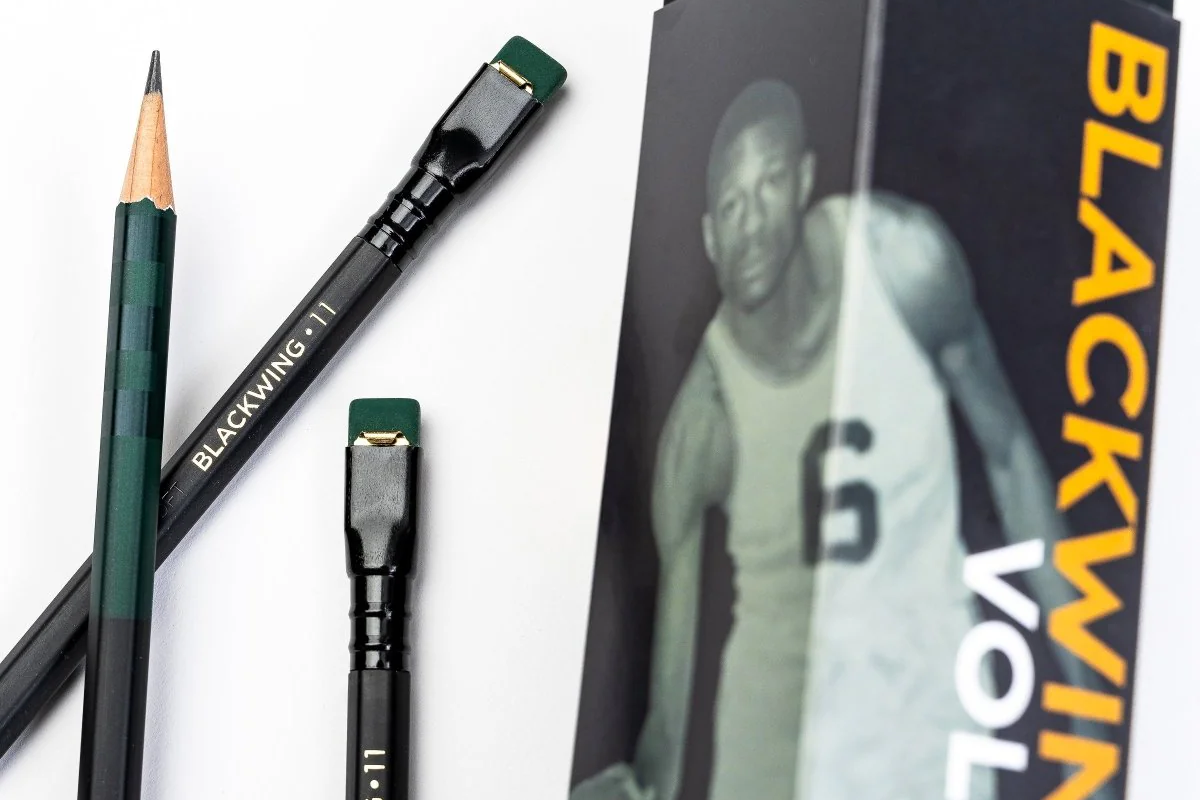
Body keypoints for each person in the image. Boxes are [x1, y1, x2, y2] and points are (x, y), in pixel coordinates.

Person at [572, 79, 1109, 800]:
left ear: (803, 181)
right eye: (731, 206)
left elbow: (1011, 456)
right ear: (709, 239)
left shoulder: (902, 264)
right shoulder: (703, 422)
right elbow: (670, 712)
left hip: (928, 706)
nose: (751, 223)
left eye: (768, 185)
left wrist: (1087, 699)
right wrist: (634, 787)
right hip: (776, 746)